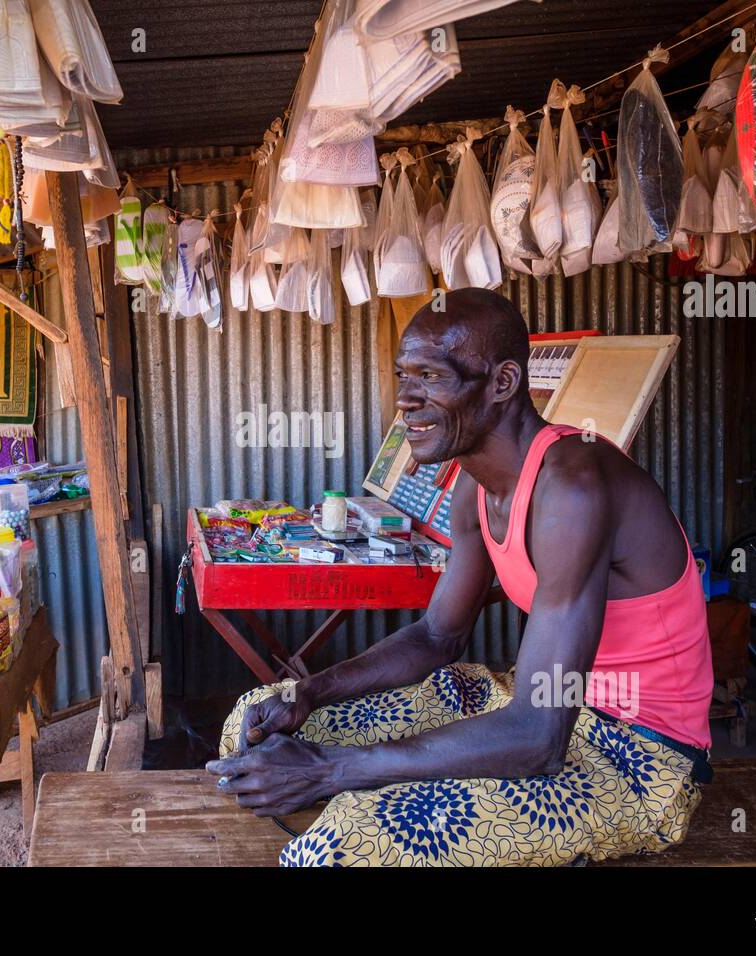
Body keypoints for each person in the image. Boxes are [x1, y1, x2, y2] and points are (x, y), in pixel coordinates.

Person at [206, 289, 714, 867]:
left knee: (342, 847)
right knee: (256, 725)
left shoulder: (574, 485)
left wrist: (332, 767)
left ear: (502, 383)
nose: (405, 400)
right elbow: (436, 638)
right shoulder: (475, 485)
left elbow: (537, 737)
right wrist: (307, 695)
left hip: (634, 757)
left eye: (430, 376)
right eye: (403, 376)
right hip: (528, 701)